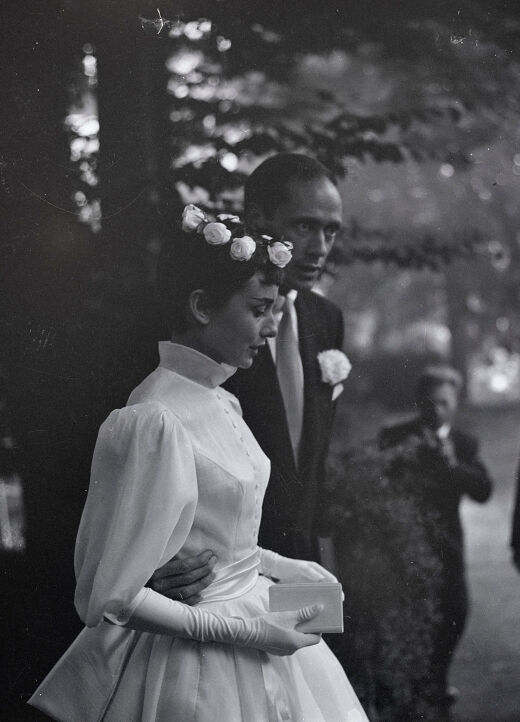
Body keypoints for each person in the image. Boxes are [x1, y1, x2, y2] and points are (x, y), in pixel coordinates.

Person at [28, 207, 369, 721]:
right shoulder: (153, 420)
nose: (272, 328)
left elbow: (221, 533)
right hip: (198, 652)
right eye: (259, 310)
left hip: (254, 606)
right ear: (202, 307)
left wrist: (278, 566)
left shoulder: (222, 399)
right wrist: (247, 631)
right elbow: (110, 595)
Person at [149, 153, 348, 604]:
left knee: (309, 672)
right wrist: (150, 569)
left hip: (301, 565)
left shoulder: (326, 319)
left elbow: (310, 464)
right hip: (218, 580)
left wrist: (320, 565)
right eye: (304, 226)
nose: (319, 246)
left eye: (330, 230)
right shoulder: (213, 323)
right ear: (258, 218)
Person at [372, 364, 492, 721]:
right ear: (418, 402)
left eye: (444, 403)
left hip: (447, 548)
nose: (437, 410)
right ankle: (420, 696)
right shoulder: (395, 437)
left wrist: (453, 464)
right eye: (430, 403)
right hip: (402, 548)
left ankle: (436, 686)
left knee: (454, 613)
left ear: (454, 402)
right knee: (409, 623)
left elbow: (484, 491)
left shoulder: (463, 443)